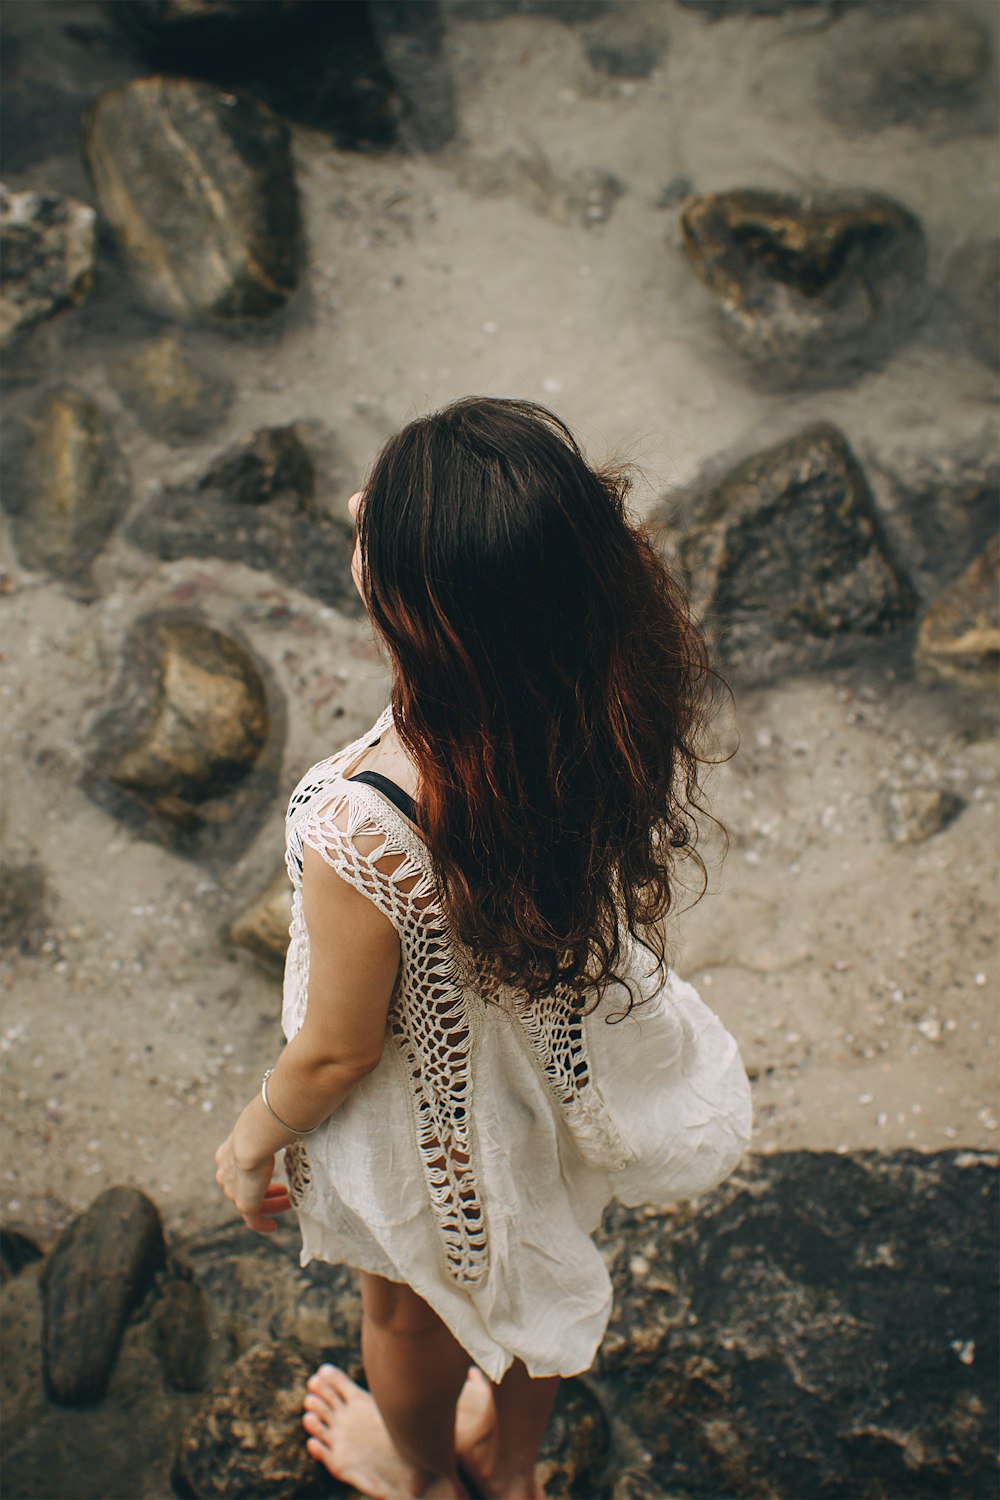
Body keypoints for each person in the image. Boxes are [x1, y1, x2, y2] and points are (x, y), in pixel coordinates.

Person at [214, 397, 751, 1500]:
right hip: (551, 1048)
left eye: (380, 528)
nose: (356, 511)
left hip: (431, 1107)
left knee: (407, 1310)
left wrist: (248, 1140)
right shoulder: (593, 682)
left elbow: (338, 1053)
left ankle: (417, 1474)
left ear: (427, 618)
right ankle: (509, 1470)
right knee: (534, 1252)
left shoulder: (360, 821)